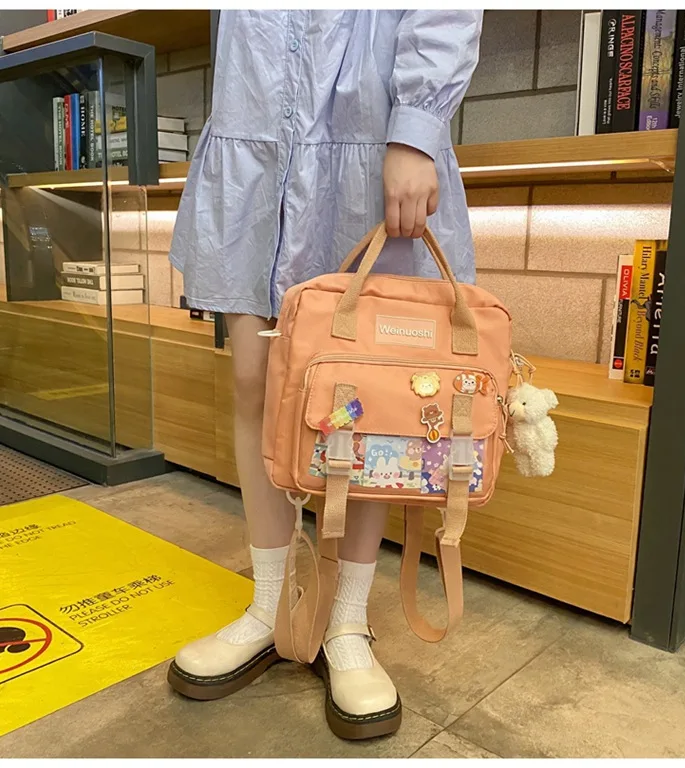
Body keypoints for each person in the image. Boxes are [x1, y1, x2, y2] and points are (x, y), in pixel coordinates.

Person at [167, 10, 482, 740]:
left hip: (368, 140)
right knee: (255, 381)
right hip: (253, 135)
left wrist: (416, 131)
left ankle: (346, 622)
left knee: (366, 398)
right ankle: (271, 606)